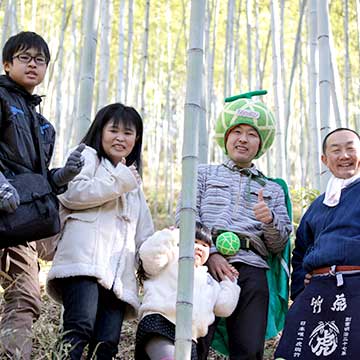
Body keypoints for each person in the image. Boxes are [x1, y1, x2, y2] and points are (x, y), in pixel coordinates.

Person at [178, 90, 293, 360]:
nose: (243, 139)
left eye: (252, 134)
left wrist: (269, 221)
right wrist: (213, 253)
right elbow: (184, 218)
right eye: (237, 131)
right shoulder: (202, 173)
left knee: (249, 349)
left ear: (261, 143)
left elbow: (278, 245)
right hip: (203, 264)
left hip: (253, 269)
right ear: (226, 137)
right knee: (194, 341)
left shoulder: (272, 189)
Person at [0, 31, 85, 358]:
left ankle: (13, 355)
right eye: (25, 57)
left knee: (24, 296)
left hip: (21, 220)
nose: (33, 64)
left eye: (40, 60)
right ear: (7, 64)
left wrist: (63, 176)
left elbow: (35, 178)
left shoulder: (44, 125)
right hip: (2, 202)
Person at [46, 102, 154, 360]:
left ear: (136, 138)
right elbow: (72, 194)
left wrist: (162, 251)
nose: (120, 138)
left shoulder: (133, 181)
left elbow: (144, 231)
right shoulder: (86, 157)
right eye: (113, 130)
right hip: (82, 262)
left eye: (128, 133)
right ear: (100, 130)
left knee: (107, 343)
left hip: (118, 273)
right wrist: (120, 182)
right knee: (78, 328)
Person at [275, 128, 360, 359]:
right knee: (294, 350)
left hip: (356, 285)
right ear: (325, 160)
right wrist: (302, 286)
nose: (344, 156)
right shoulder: (317, 206)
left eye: (350, 148)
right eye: (336, 150)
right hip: (318, 290)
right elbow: (300, 251)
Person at [135, 222, 240, 360]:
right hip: (160, 323)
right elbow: (149, 256)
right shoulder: (170, 258)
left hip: (190, 337)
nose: (199, 248)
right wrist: (170, 235)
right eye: (195, 242)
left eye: (205, 245)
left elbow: (223, 307)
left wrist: (229, 281)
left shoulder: (210, 282)